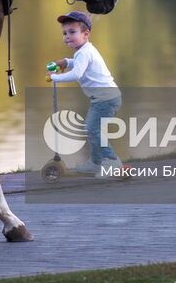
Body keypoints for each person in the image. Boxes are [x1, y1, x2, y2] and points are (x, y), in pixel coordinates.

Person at [48, 9, 122, 175]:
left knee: (93, 130)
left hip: (106, 99)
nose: (67, 36)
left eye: (72, 32)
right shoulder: (84, 51)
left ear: (86, 33)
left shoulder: (85, 52)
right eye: (64, 33)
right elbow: (78, 64)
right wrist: (66, 62)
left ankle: (112, 161)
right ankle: (96, 162)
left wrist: (55, 78)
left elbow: (77, 73)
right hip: (103, 98)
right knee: (91, 129)